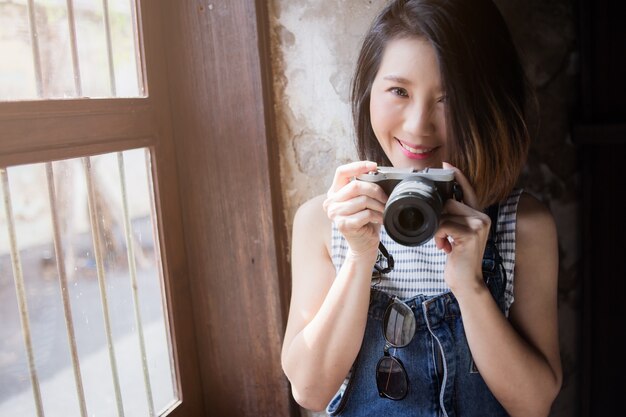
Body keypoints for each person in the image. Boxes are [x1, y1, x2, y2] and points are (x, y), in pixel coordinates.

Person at [280, 0, 562, 415]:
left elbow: (533, 405)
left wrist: (471, 284)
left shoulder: (522, 225)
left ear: (488, 105)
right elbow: (309, 390)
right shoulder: (323, 222)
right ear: (368, 92)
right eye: (399, 91)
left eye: (447, 99)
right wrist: (360, 256)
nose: (418, 125)